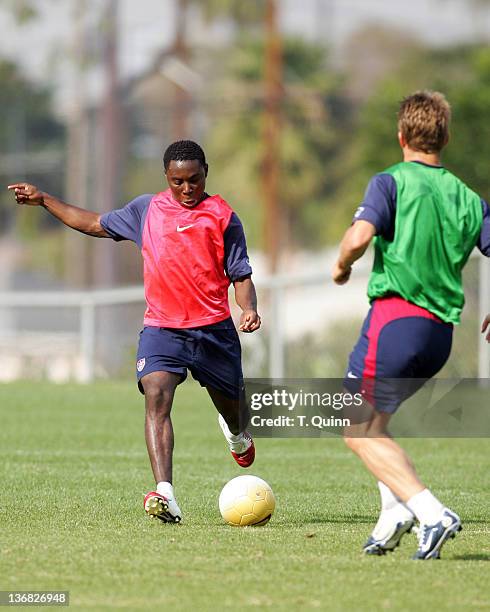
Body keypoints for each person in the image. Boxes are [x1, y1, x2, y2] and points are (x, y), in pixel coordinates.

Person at [8, 139, 261, 524]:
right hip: (162, 329)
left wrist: (249, 309)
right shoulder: (147, 210)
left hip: (213, 332)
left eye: (194, 180)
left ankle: (236, 433)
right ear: (167, 177)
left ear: (205, 172)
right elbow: (93, 223)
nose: (187, 189)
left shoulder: (224, 217)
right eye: (178, 181)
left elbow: (241, 274)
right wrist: (45, 200)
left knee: (234, 414)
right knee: (156, 394)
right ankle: (166, 494)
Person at [332, 91, 490, 559]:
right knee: (375, 423)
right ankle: (394, 513)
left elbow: (359, 237)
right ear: (446, 137)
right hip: (440, 334)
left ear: (401, 135)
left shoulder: (391, 182)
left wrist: (341, 265)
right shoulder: (469, 198)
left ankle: (430, 511)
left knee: (354, 428)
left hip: (396, 320)